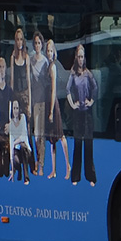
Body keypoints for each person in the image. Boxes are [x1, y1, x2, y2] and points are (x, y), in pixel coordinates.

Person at [66, 44, 98, 186]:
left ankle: (90, 176)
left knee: (88, 145)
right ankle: (75, 177)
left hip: (88, 114)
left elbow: (95, 87)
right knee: (77, 145)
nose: (80, 59)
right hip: (77, 114)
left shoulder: (88, 73)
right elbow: (67, 90)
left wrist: (91, 101)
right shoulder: (72, 74)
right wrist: (73, 104)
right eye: (78, 56)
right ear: (76, 58)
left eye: (82, 56)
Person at [44, 39, 71, 179]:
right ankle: (54, 170)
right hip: (49, 102)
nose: (49, 53)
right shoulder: (48, 66)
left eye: (51, 51)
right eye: (47, 51)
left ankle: (67, 165)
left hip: (53, 104)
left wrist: (50, 112)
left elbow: (53, 89)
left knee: (60, 135)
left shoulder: (53, 67)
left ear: (54, 52)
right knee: (52, 138)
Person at [29, 30, 50, 176]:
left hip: (43, 101)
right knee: (35, 134)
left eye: (39, 43)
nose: (37, 45)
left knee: (41, 134)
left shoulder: (45, 61)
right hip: (34, 101)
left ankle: (41, 163)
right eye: (35, 43)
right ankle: (36, 160)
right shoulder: (30, 60)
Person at [8, 100, 36, 185]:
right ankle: (18, 171)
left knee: (23, 146)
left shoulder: (23, 117)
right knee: (14, 158)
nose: (15, 110)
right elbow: (11, 143)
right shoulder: (11, 124)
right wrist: (12, 168)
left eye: (17, 108)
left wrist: (15, 143)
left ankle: (26, 177)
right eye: (14, 108)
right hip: (17, 151)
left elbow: (23, 137)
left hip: (26, 151)